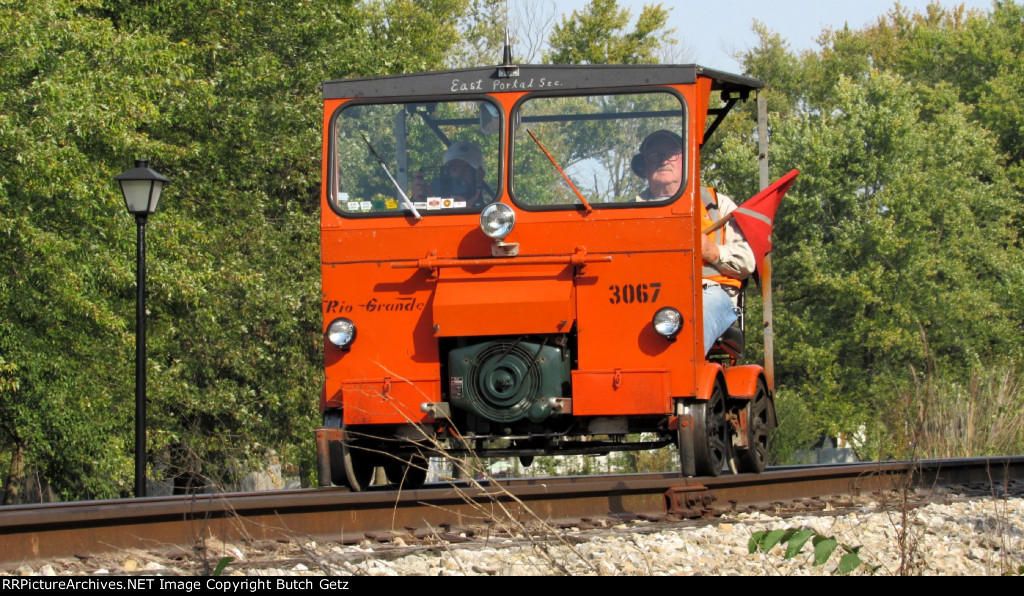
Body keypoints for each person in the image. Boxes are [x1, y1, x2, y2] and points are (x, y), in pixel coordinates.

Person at [632, 129, 756, 355]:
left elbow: (748, 262)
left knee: (690, 328)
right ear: (643, 166)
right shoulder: (628, 212)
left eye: (672, 153)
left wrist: (712, 252)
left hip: (709, 292)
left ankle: (683, 381)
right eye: (654, 155)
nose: (663, 159)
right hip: (644, 298)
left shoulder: (717, 205)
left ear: (687, 161)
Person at [410, 140, 489, 207]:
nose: (458, 174)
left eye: (466, 169)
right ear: (444, 171)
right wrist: (418, 201)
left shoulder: (489, 214)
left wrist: (469, 211)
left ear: (480, 175)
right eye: (453, 168)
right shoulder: (433, 201)